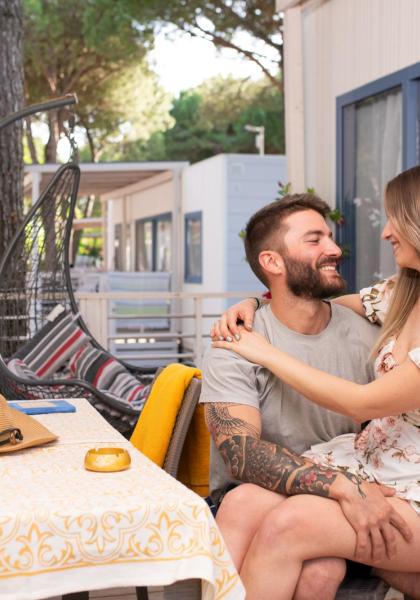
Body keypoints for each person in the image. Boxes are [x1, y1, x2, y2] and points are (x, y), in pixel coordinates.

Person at [211, 165, 420, 599]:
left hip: (410, 487)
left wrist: (266, 352)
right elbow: (320, 303)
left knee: (293, 529)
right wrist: (256, 300)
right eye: (316, 238)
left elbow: (363, 404)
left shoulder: (257, 346)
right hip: (369, 466)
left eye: (393, 218)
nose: (384, 233)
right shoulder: (401, 293)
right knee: (243, 503)